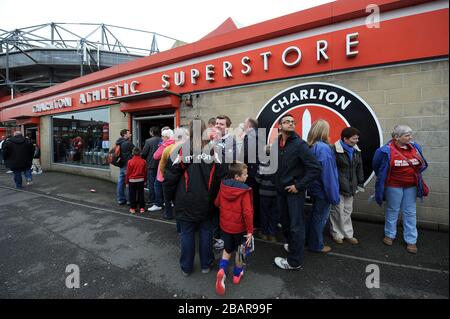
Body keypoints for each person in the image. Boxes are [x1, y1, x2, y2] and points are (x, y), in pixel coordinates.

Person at [163, 119, 223, 276]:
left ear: (189, 131)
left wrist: (169, 198)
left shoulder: (181, 149)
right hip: (207, 200)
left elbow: (169, 177)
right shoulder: (214, 150)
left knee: (187, 233)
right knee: (205, 231)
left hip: (185, 199)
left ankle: (186, 267)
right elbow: (222, 176)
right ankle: (206, 264)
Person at [272, 113, 321, 270]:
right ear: (280, 126)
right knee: (285, 223)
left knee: (296, 226)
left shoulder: (300, 144)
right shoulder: (277, 143)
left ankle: (294, 262)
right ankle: (294, 247)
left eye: (293, 122)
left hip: (294, 193)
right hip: (280, 192)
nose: (291, 124)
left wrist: (298, 186)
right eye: (287, 122)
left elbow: (315, 169)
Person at [372, 125, 428, 254]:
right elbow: (377, 166)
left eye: (410, 134)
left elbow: (422, 164)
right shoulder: (384, 150)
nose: (411, 137)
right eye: (407, 135)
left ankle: (411, 240)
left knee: (410, 212)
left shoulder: (415, 147)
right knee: (392, 210)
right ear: (396, 137)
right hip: (393, 186)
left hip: (411, 186)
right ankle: (390, 235)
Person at [214, 162, 254, 296]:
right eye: (245, 174)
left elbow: (217, 202)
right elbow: (247, 213)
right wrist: (250, 231)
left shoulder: (223, 185)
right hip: (240, 229)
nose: (247, 176)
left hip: (226, 226)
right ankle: (237, 275)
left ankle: (222, 271)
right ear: (237, 177)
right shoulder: (245, 191)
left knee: (227, 249)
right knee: (240, 251)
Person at [306, 120, 340, 253]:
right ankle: (316, 245)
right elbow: (328, 175)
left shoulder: (312, 146)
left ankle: (308, 241)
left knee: (315, 216)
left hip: (315, 188)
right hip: (323, 190)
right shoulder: (323, 148)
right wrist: (334, 196)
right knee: (319, 218)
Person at [330, 127, 365, 245]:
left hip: (351, 186)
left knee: (347, 210)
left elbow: (359, 168)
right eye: (353, 139)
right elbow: (331, 169)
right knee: (337, 211)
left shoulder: (356, 150)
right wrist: (332, 185)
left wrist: (360, 183)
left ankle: (348, 234)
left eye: (357, 138)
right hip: (338, 186)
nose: (356, 141)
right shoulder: (333, 149)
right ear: (345, 139)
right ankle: (337, 234)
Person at [241, 117, 261, 231]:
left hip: (253, 173)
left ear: (249, 125)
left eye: (244, 123)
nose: (243, 125)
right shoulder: (257, 135)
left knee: (253, 199)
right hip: (257, 171)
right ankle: (257, 222)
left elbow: (246, 154)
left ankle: (254, 223)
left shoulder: (251, 136)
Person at [148, 128, 174, 212]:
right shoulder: (175, 143)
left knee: (157, 185)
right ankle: (170, 202)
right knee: (170, 187)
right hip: (172, 170)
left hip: (163, 170)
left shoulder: (164, 145)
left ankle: (158, 204)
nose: (161, 138)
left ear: (167, 137)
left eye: (163, 136)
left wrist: (161, 146)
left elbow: (155, 156)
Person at [141, 126, 161, 205]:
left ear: (152, 132)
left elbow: (144, 153)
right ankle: (160, 199)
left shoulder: (148, 141)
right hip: (160, 164)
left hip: (151, 165)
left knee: (151, 183)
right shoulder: (162, 140)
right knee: (159, 183)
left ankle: (152, 200)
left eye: (150, 131)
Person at [116, 129, 134, 205]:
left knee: (120, 182)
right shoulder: (127, 143)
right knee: (128, 183)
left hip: (122, 165)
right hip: (128, 166)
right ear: (124, 134)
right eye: (129, 133)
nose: (131, 134)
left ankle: (120, 199)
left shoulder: (119, 142)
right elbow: (137, 151)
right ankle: (129, 200)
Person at [126, 147, 147, 214]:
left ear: (132, 153)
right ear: (140, 153)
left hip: (132, 180)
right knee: (141, 194)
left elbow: (128, 173)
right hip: (141, 180)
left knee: (132, 194)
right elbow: (145, 172)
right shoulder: (144, 161)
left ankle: (133, 208)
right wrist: (145, 180)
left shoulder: (130, 162)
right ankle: (142, 208)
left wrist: (126, 182)